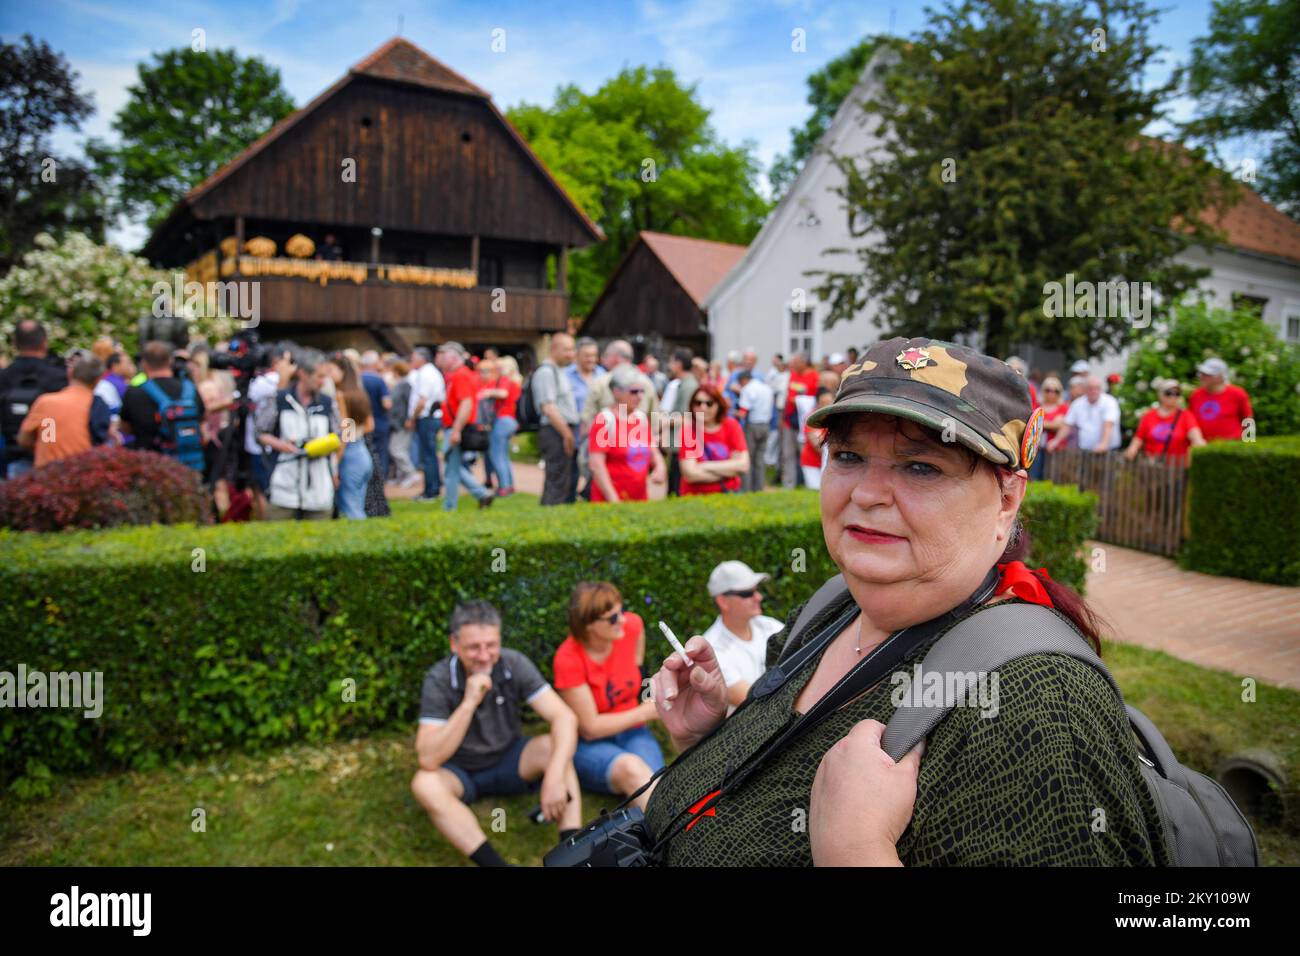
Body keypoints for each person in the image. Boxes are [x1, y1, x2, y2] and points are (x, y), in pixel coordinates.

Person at [644, 336, 1166, 866]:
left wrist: (855, 852)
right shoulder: (830, 611)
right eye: (847, 456)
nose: (867, 494)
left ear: (1007, 499)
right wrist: (712, 745)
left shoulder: (1041, 706)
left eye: (921, 466)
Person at [411, 600, 582, 867]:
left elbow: (565, 717)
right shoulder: (438, 678)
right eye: (473, 647)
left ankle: (574, 853)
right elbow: (428, 758)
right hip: (460, 771)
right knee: (424, 783)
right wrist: (469, 702)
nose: (484, 655)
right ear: (454, 645)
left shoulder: (514, 663)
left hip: (509, 759)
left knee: (555, 748)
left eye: (491, 645)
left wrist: (554, 778)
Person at [553, 582, 665, 812]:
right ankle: (673, 839)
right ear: (588, 626)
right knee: (633, 770)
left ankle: (661, 832)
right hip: (590, 744)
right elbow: (590, 728)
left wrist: (648, 692)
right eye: (612, 618)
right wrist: (646, 711)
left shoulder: (631, 627)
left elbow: (639, 669)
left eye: (621, 611)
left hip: (633, 730)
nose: (623, 620)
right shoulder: (568, 659)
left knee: (659, 785)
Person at [256, 347, 339, 521]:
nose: (323, 382)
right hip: (284, 483)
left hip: (319, 486)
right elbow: (260, 432)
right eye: (319, 376)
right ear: (303, 374)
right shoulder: (280, 399)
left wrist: (334, 466)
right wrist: (282, 445)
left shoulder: (327, 402)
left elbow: (341, 434)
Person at [699, 561, 785, 712]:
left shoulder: (769, 626)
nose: (758, 597)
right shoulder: (713, 651)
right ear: (723, 602)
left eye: (756, 590)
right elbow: (754, 701)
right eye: (747, 593)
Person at [119, 341, 207, 470]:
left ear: (144, 363)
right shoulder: (190, 389)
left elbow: (125, 428)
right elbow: (203, 424)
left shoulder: (134, 393)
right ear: (170, 361)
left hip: (150, 468)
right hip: (188, 468)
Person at [1, 320, 72, 479]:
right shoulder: (58, 377)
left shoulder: (4, 376)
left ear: (15, 343)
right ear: (44, 342)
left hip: (12, 455)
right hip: (51, 457)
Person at [588, 364, 666, 503]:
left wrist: (660, 467)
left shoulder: (640, 418)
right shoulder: (605, 420)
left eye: (642, 391)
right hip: (610, 502)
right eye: (634, 392)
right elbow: (596, 465)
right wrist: (614, 500)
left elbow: (653, 451)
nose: (640, 396)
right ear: (617, 392)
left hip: (639, 499)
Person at [17, 354, 112, 468]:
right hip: (81, 473)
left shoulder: (46, 402)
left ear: (70, 373)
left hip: (45, 474)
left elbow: (24, 440)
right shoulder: (98, 405)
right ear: (98, 380)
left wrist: (45, 447)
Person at [438, 342, 494, 511]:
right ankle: (481, 493)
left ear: (453, 358)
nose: (440, 360)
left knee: (451, 469)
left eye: (443, 357)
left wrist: (455, 430)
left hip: (457, 427)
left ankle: (450, 506)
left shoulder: (460, 376)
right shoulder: (460, 375)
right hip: (456, 426)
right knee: (453, 467)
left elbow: (466, 403)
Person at [533, 332, 579, 506]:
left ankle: (556, 514)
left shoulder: (558, 371)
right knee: (557, 478)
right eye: (567, 349)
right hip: (555, 431)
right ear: (554, 349)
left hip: (560, 430)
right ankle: (550, 514)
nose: (571, 354)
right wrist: (567, 434)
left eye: (572, 349)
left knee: (563, 478)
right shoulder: (546, 372)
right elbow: (548, 408)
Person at [329, 354, 377, 520]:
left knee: (351, 508)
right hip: (363, 452)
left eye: (331, 370)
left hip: (350, 454)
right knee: (357, 504)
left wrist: (336, 460)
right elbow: (370, 425)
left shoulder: (341, 395)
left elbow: (345, 429)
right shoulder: (359, 393)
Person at [679, 383, 749, 495]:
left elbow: (743, 465)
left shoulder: (731, 426)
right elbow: (690, 474)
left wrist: (704, 466)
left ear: (718, 405)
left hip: (728, 494)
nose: (703, 407)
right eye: (698, 403)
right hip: (695, 496)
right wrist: (729, 471)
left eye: (709, 403)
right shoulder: (689, 430)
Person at [1124, 377, 1205, 463]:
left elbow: (1196, 437)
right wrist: (1131, 450)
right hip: (1152, 466)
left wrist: (1201, 447)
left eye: (1177, 393)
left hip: (1177, 468)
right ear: (1160, 395)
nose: (1173, 396)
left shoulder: (1186, 416)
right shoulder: (1149, 416)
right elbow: (1138, 438)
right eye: (1169, 393)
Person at [406, 347, 445, 501]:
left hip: (427, 418)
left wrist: (412, 418)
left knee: (428, 456)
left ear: (422, 359)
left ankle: (431, 491)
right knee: (430, 455)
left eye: (413, 358)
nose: (411, 361)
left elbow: (422, 400)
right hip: (430, 417)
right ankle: (433, 487)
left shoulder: (425, 374)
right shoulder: (430, 372)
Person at [481, 354, 522, 497]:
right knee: (503, 455)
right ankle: (508, 485)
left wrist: (486, 393)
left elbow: (503, 394)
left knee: (497, 454)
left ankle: (504, 487)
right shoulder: (515, 382)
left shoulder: (505, 380)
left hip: (504, 419)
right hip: (511, 421)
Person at [1188, 357, 1253, 443]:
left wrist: (1249, 442)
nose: (1201, 377)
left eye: (1206, 374)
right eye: (1201, 374)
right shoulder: (1195, 395)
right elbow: (1190, 422)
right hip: (1203, 447)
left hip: (1231, 446)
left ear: (1219, 377)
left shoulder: (1237, 393)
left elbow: (1248, 419)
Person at [780, 352, 819, 488]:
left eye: (796, 362)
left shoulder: (814, 376)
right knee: (787, 454)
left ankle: (806, 483)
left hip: (805, 421)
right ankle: (788, 485)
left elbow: (815, 398)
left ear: (804, 362)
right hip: (790, 420)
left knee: (803, 453)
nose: (793, 364)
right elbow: (788, 396)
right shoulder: (793, 374)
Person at [1056, 375, 1121, 454]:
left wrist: (1104, 444)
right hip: (1085, 450)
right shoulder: (1078, 403)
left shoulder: (1110, 402)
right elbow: (1067, 425)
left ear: (1101, 389)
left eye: (1097, 388)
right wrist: (1056, 441)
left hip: (1108, 450)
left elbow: (1108, 425)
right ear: (1085, 389)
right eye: (1091, 388)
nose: (1094, 391)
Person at [735, 367, 773, 492]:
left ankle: (746, 488)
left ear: (744, 380)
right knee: (760, 459)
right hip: (766, 425)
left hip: (753, 426)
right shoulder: (766, 388)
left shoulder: (747, 389)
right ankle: (759, 487)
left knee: (748, 457)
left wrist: (731, 412)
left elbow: (743, 413)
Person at [359, 351, 392, 488]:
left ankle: (366, 483)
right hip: (379, 423)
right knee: (380, 454)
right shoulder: (379, 380)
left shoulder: (356, 380)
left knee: (364, 452)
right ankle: (379, 485)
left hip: (359, 424)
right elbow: (387, 404)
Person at [386, 358, 418, 487]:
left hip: (403, 423)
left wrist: (409, 419)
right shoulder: (399, 384)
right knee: (399, 449)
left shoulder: (405, 385)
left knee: (396, 450)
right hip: (397, 423)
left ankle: (411, 474)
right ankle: (402, 476)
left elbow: (410, 404)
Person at [799, 388, 834, 489]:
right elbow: (817, 444)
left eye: (830, 402)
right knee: (815, 491)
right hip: (811, 463)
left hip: (830, 463)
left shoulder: (836, 418)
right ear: (818, 404)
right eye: (824, 403)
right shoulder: (812, 418)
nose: (827, 406)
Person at [1035, 375, 1069, 477]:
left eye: (1055, 391)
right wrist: (1051, 423)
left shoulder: (1063, 407)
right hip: (1037, 447)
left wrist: (1042, 423)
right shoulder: (1037, 406)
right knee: (1035, 476)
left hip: (1056, 449)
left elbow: (1059, 425)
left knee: (1052, 476)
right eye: (1048, 390)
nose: (1051, 393)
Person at [567, 337, 602, 420]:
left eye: (594, 355)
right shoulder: (565, 375)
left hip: (598, 428)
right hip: (572, 429)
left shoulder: (603, 374)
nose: (591, 359)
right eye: (587, 356)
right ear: (577, 355)